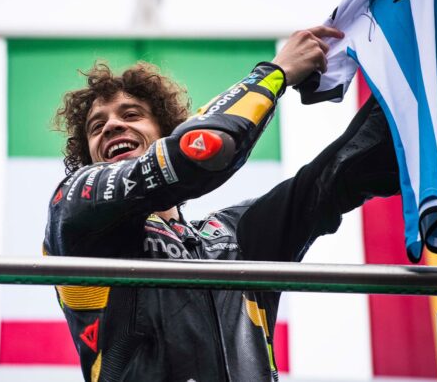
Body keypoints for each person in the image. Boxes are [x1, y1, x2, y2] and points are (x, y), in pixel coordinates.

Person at [43, 24, 406, 381]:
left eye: (131, 114)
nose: (110, 126)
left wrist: (415, 63)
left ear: (164, 132)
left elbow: (346, 171)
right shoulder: (73, 210)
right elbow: (202, 149)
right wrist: (275, 73)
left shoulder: (233, 236)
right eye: (96, 126)